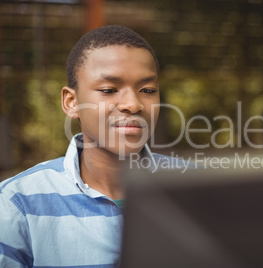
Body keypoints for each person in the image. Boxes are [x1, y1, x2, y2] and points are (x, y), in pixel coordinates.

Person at [0, 25, 188, 267]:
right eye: (109, 90)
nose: (133, 104)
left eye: (148, 90)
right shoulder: (16, 203)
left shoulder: (200, 189)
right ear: (72, 102)